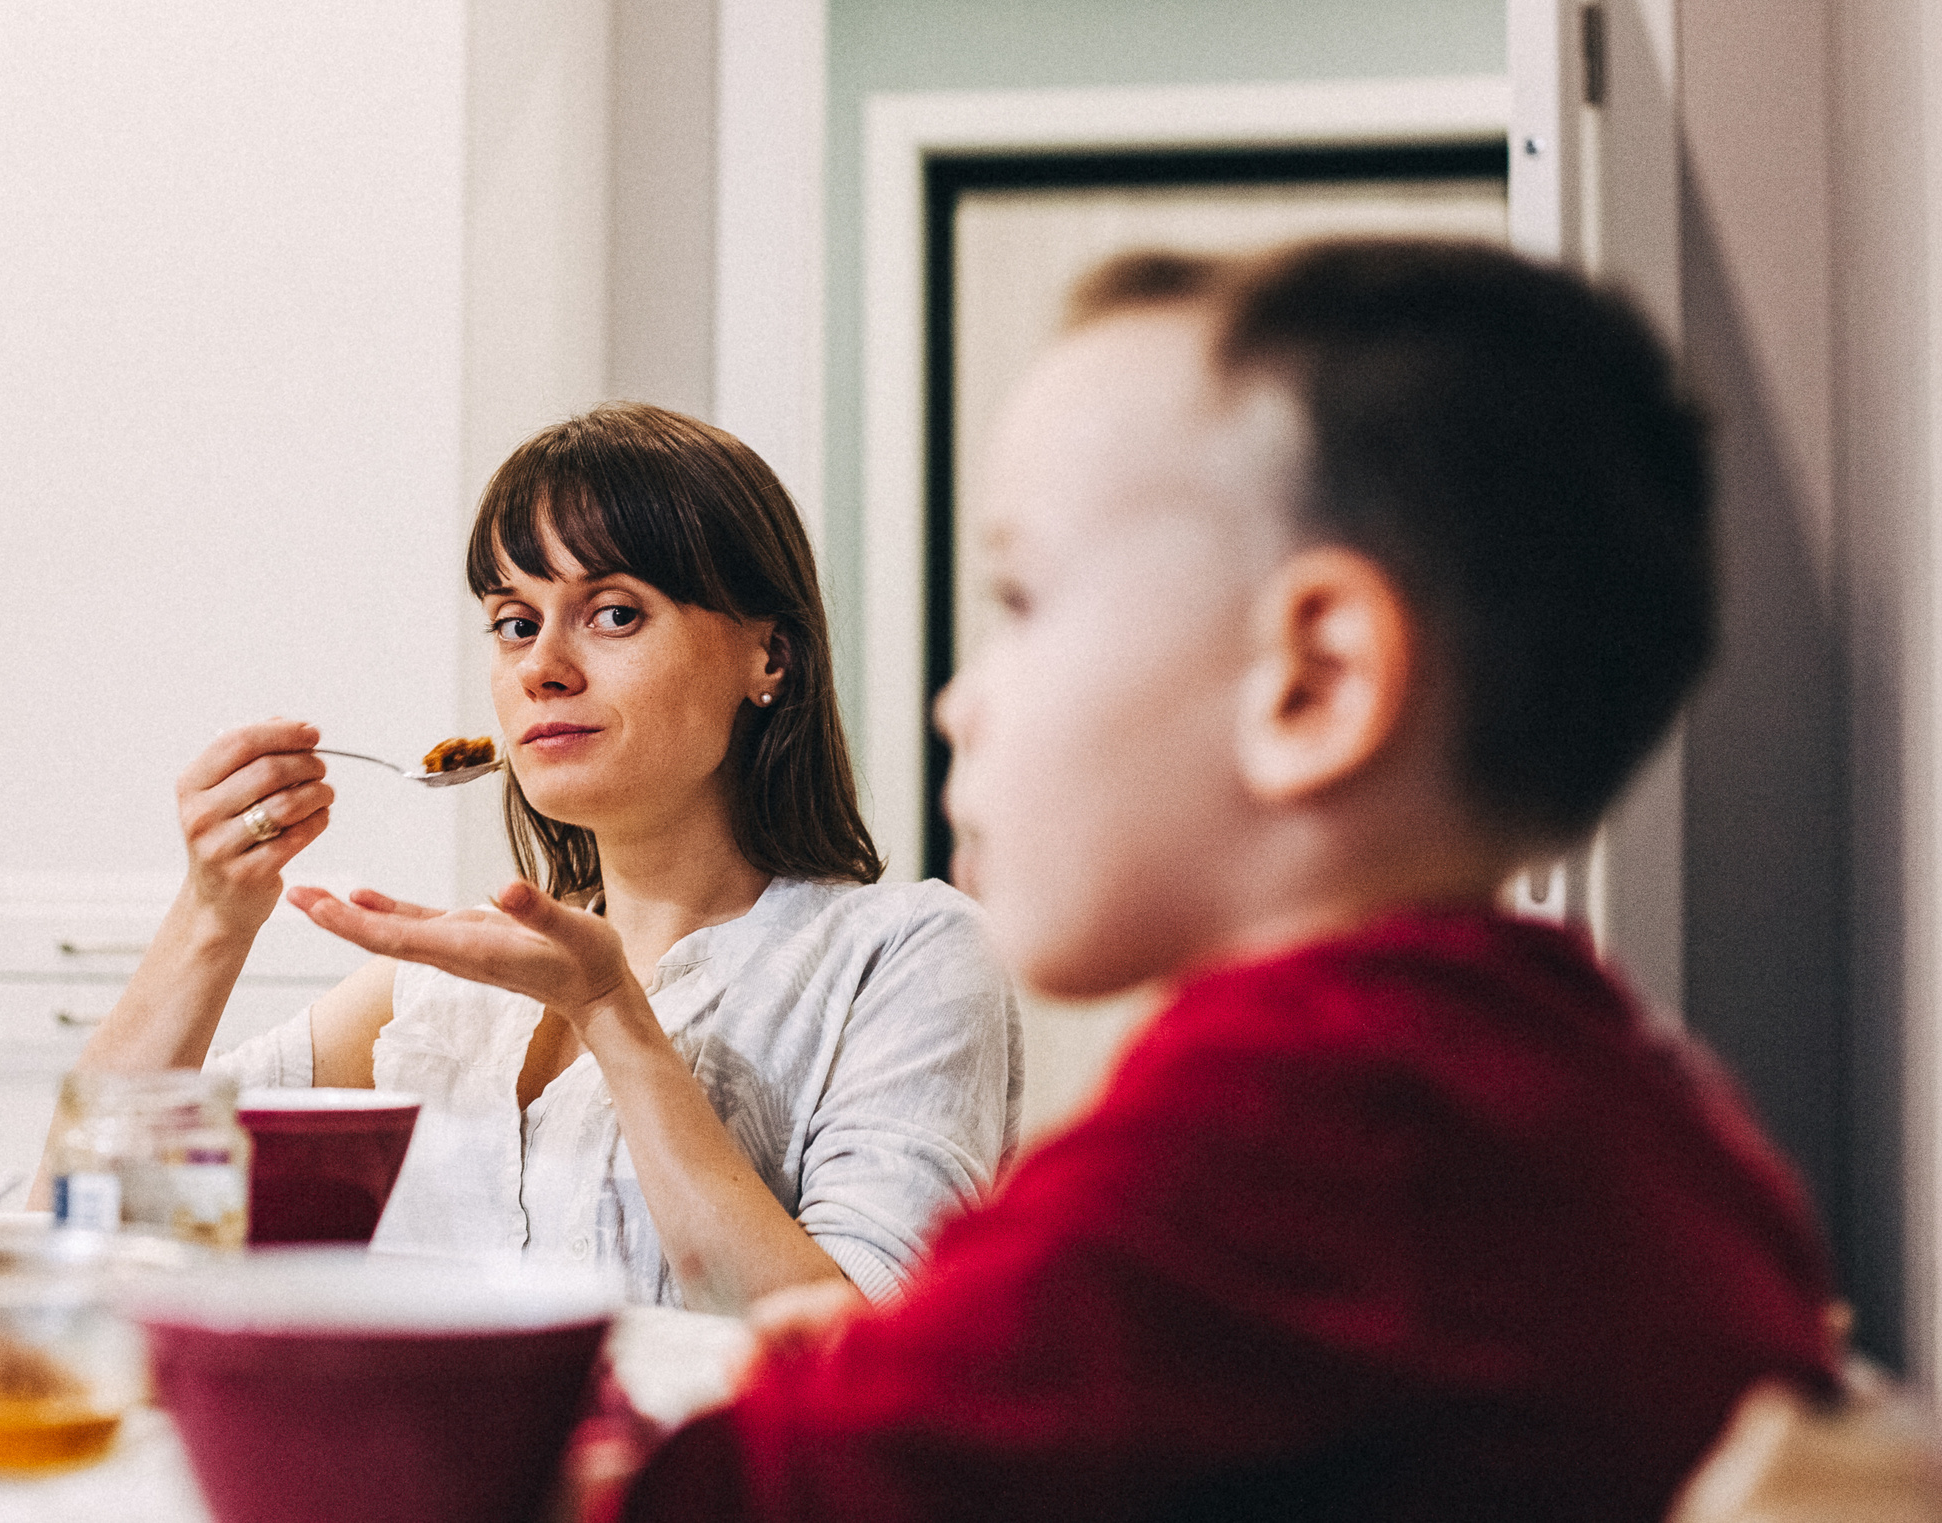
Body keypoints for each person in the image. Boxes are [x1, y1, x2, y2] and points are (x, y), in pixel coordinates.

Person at [610, 240, 1838, 1521]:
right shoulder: (1598, 1091)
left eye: (1021, 600)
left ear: (1314, 682)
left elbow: (762, 1496)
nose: (957, 701)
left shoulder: (1306, 1132)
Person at [50, 402, 1021, 1311]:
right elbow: (91, 1199)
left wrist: (611, 1014)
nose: (542, 666)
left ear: (769, 656)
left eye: (614, 613)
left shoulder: (901, 956)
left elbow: (862, 1347)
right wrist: (213, 917)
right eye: (515, 622)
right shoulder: (442, 991)